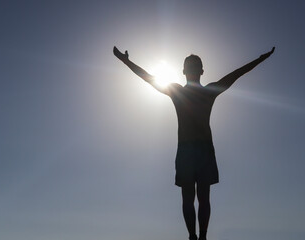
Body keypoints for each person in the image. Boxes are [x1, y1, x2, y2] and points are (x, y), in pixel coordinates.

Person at [113, 46, 274, 240]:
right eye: (192, 66)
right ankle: (195, 236)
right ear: (192, 71)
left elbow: (236, 74)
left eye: (193, 66)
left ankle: (199, 236)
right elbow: (148, 77)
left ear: (194, 71)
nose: (192, 70)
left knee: (198, 198)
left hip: (197, 149)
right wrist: (126, 61)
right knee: (193, 198)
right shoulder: (190, 91)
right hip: (193, 149)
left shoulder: (198, 91)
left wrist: (260, 59)